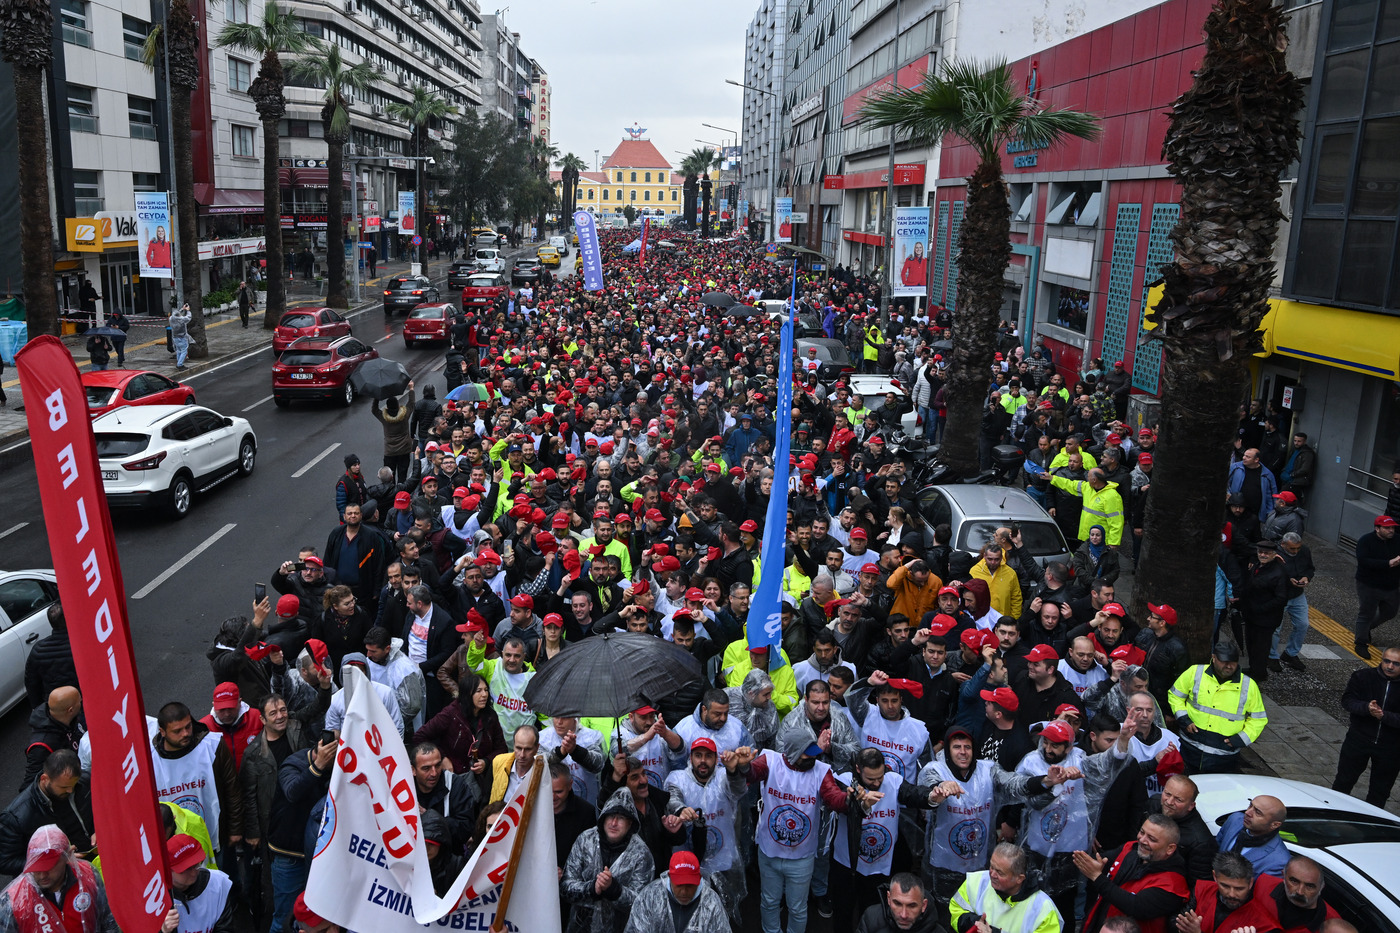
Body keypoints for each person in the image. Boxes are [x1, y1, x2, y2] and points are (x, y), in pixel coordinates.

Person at [738, 731, 869, 933]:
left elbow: (833, 798)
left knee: (798, 909)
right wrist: (745, 764)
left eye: (814, 753)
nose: (812, 758)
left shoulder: (821, 771)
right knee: (769, 901)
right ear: (791, 753)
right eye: (806, 754)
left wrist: (848, 800)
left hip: (801, 858)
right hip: (768, 852)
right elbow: (752, 773)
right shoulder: (770, 761)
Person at [664, 737, 748, 923]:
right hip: (687, 862)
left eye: (708, 756)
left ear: (716, 759)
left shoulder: (724, 776)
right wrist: (680, 809)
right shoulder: (677, 777)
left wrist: (733, 771)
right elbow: (672, 797)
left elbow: (738, 790)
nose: (703, 761)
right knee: (689, 912)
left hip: (722, 858)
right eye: (698, 755)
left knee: (720, 910)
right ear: (690, 758)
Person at [150, 701, 242, 854]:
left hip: (217, 836)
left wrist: (235, 829)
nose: (185, 733)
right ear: (162, 732)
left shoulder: (213, 745)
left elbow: (232, 790)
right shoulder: (148, 759)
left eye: (188, 727)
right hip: (173, 844)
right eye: (177, 731)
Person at [1075, 814, 1190, 933]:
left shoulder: (1173, 884)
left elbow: (1135, 907)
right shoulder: (1130, 848)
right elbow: (1099, 861)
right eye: (1142, 832)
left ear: (1170, 848)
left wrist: (1097, 877)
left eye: (1152, 839)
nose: (1142, 840)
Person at [562, 787, 654, 933]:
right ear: (603, 818)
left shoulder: (641, 853)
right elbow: (566, 887)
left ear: (630, 822)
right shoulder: (585, 840)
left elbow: (642, 904)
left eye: (621, 818)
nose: (614, 823)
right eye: (611, 816)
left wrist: (614, 890)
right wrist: (592, 889)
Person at [1168, 642, 1267, 773]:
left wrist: (1241, 739)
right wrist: (1184, 719)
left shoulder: (1249, 686)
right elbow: (1175, 696)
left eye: (1233, 662)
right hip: (1189, 749)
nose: (1229, 666)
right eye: (1224, 661)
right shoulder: (1195, 672)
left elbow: (1258, 719)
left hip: (1223, 757)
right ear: (1213, 658)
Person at [0, 825, 120, 933]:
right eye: (36, 867)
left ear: (68, 856)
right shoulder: (13, 900)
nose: (42, 875)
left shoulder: (89, 875)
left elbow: (108, 921)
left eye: (49, 867)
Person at [0, 751, 93, 873]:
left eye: (73, 785)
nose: (70, 790)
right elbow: (5, 862)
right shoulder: (16, 816)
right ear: (44, 779)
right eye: (63, 787)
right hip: (59, 878)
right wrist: (55, 860)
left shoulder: (84, 781)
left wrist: (100, 829)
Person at [1333, 645, 1400, 806]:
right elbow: (1348, 701)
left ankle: (1372, 823)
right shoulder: (1362, 677)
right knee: (1343, 782)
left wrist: (1384, 716)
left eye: (1396, 664)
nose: (1390, 666)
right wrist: (1366, 708)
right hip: (1358, 739)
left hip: (1391, 746)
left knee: (1380, 790)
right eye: (1387, 661)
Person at [949, 842, 1063, 933]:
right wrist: (976, 924)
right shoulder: (975, 882)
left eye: (1000, 872)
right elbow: (955, 912)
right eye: (991, 867)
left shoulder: (1043, 908)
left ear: (1019, 878)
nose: (992, 874)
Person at [623, 851, 731, 933]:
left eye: (689, 885)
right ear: (669, 877)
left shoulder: (711, 903)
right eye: (679, 885)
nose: (684, 892)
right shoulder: (650, 897)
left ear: (699, 879)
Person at [163, 832, 246, 933]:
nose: (194, 872)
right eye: (186, 869)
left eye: (196, 864)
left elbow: (225, 928)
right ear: (168, 870)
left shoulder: (216, 884)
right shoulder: (155, 897)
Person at [1173, 852, 1275, 933]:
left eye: (1239, 889)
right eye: (1225, 886)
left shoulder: (1264, 924)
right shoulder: (1202, 890)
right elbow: (1174, 922)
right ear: (1215, 877)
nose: (1231, 894)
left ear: (1250, 883)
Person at [1146, 774, 1218, 884]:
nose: (1169, 802)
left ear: (1191, 806)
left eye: (1178, 800)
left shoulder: (1201, 843)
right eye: (1167, 794)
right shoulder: (1153, 803)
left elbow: (1199, 886)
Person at [1352, 514, 1400, 659]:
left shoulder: (1397, 540)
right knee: (1366, 613)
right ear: (1377, 528)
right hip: (1369, 584)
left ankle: (1366, 629)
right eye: (1387, 528)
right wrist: (1388, 563)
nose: (1391, 530)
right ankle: (1361, 642)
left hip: (1391, 585)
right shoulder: (1366, 541)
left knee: (1390, 612)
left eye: (1392, 528)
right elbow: (1364, 561)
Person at [1253, 855, 1340, 932]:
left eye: (1309, 886)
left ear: (1322, 887)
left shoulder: (1332, 926)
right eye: (1294, 881)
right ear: (1283, 876)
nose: (1300, 892)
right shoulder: (1263, 885)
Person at [21, 686, 84, 788]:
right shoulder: (42, 746)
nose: (82, 702)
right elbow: (29, 785)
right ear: (70, 710)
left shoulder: (69, 718)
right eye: (79, 701)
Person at [1215, 794, 1290, 880]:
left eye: (1258, 812)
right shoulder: (1234, 820)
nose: (1247, 812)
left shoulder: (1279, 861)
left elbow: (1259, 891)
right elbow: (1215, 849)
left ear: (1275, 825)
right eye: (1250, 805)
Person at [24, 605, 78, 710]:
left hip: (55, 706)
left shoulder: (38, 650)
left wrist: (38, 708)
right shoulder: (81, 646)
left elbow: (31, 684)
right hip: (80, 702)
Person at [853, 872, 941, 933]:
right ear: (888, 898)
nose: (903, 915)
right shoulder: (871, 918)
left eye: (912, 906)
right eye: (898, 904)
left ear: (923, 905)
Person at [170, 302, 193, 369]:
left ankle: (179, 362)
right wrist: (188, 310)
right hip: (182, 337)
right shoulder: (182, 320)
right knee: (184, 351)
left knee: (179, 351)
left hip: (175, 337)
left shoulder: (171, 319)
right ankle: (179, 364)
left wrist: (182, 309)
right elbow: (188, 317)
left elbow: (175, 314)